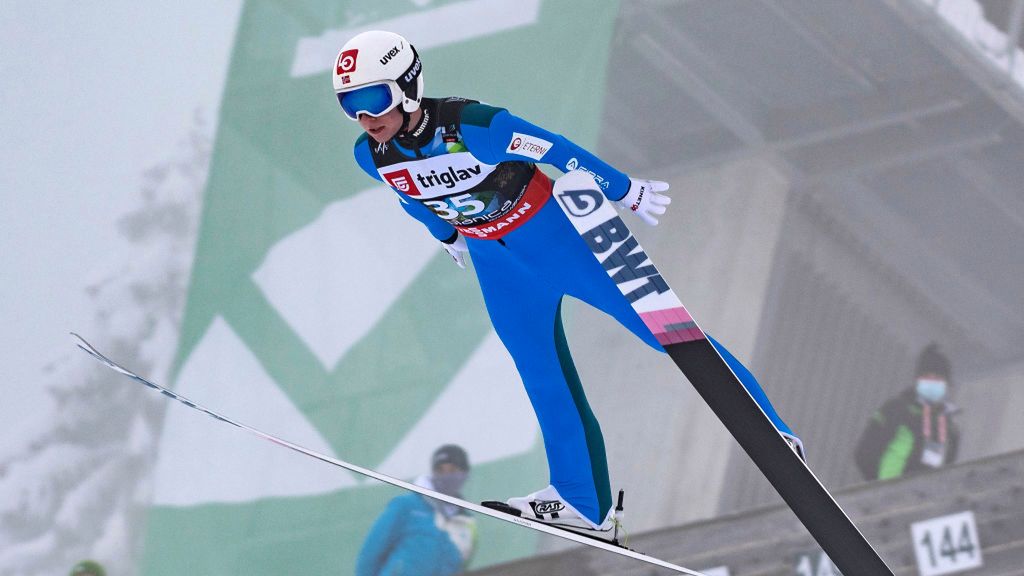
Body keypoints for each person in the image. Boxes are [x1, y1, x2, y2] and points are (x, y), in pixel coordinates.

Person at [334, 30, 802, 534]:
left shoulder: (473, 124)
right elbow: (407, 195)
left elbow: (555, 149)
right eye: (350, 106)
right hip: (499, 266)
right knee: (541, 373)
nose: (366, 117)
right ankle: (582, 499)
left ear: (407, 85)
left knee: (663, 330)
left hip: (556, 237)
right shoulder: (372, 155)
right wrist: (446, 235)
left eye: (372, 98)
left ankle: (772, 429)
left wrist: (624, 189)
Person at [355, 445, 476, 576]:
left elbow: (461, 567)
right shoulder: (407, 506)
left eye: (452, 470)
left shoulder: (466, 523)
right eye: (440, 470)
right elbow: (371, 553)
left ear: (464, 474)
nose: (446, 476)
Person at [854, 343, 961, 481]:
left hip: (925, 500)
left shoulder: (950, 430)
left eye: (938, 379)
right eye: (927, 377)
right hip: (886, 495)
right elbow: (864, 454)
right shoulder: (896, 409)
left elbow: (946, 473)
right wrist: (879, 487)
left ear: (947, 385)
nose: (932, 383)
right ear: (917, 380)